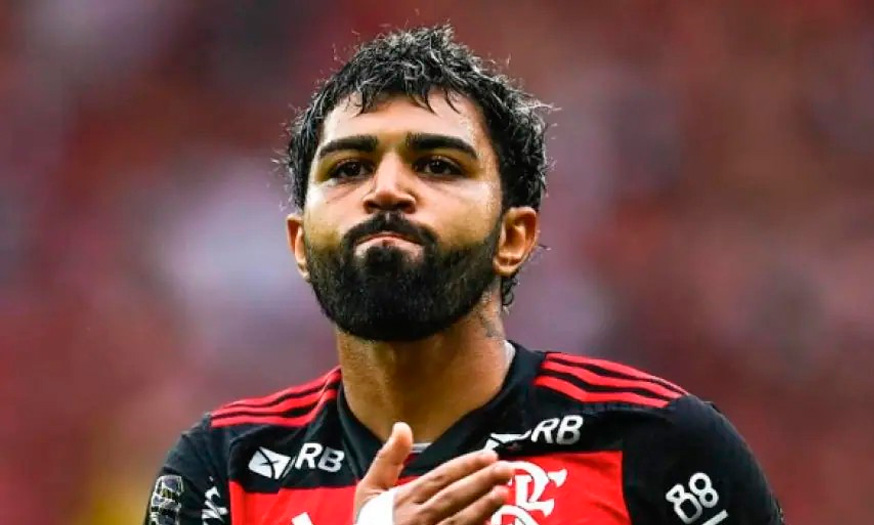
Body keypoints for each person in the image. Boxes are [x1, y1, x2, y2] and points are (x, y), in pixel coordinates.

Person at [144, 25, 784, 525]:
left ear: (513, 237)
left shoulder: (659, 444)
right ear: (300, 244)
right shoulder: (224, 469)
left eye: (438, 165)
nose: (386, 189)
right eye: (348, 169)